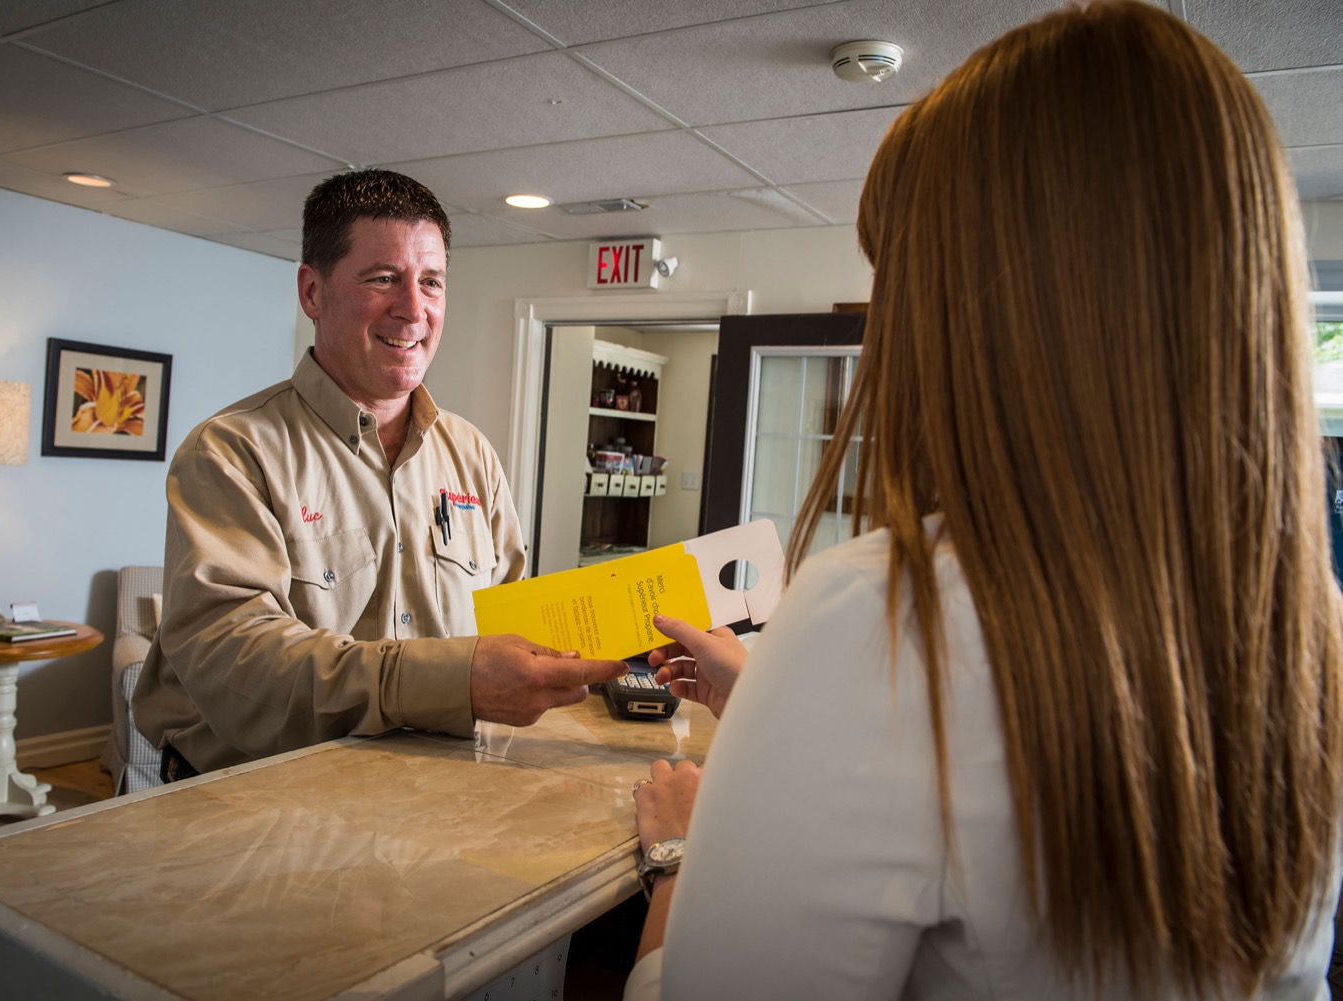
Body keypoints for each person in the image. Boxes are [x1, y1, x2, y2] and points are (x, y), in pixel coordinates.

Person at [624, 3, 1343, 998]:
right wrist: (775, 707)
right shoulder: (1311, 632)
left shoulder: (879, 619)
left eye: (900, 282)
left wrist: (677, 856)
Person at [133, 169, 626, 779]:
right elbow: (237, 662)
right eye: (383, 279)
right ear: (312, 293)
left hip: (434, 793)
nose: (414, 309)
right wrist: (449, 681)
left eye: (431, 282)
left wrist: (625, 642)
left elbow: (508, 619)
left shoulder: (472, 454)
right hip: (261, 802)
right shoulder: (232, 452)